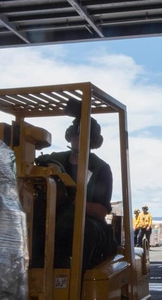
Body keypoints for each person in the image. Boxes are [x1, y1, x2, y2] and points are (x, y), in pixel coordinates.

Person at [36, 110, 116, 270]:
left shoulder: (101, 169)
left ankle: (74, 284)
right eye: (75, 134)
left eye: (84, 135)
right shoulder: (53, 160)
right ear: (70, 135)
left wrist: (72, 199)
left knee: (78, 229)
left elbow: (100, 212)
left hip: (88, 221)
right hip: (53, 216)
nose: (78, 138)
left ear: (92, 141)